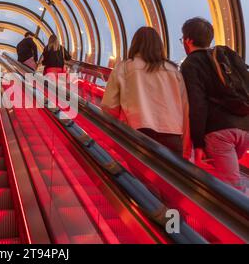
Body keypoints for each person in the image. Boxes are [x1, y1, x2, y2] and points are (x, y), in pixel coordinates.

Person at [180, 17, 249, 190]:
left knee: (232, 189)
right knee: (226, 177)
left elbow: (198, 105)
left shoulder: (191, 63)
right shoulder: (225, 56)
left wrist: (198, 143)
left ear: (188, 40)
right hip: (245, 127)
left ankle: (235, 216)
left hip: (219, 132)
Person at [101, 27, 190, 158]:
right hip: (172, 136)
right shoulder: (173, 70)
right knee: (169, 177)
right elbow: (184, 108)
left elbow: (109, 106)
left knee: (140, 175)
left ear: (135, 44)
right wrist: (186, 145)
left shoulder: (124, 67)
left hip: (137, 132)